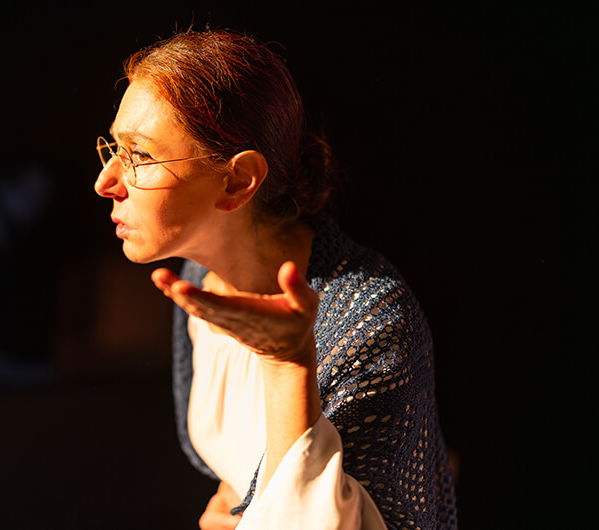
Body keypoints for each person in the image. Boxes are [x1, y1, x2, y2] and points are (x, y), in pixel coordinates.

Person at [94, 29, 457, 530]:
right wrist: (238, 502)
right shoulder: (198, 275)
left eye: (141, 155)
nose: (105, 182)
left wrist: (288, 362)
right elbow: (246, 467)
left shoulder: (368, 325)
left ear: (237, 181)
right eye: (115, 147)